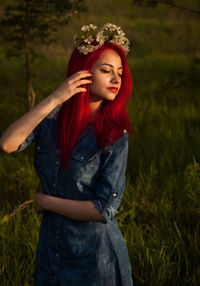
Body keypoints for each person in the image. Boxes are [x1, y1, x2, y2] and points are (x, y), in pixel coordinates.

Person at [0, 23, 133, 286]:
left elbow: (103, 210)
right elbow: (7, 144)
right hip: (52, 252)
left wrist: (46, 202)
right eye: (106, 71)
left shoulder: (115, 134)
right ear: (82, 74)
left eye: (119, 72)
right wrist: (55, 98)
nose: (116, 79)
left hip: (97, 259)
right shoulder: (51, 121)